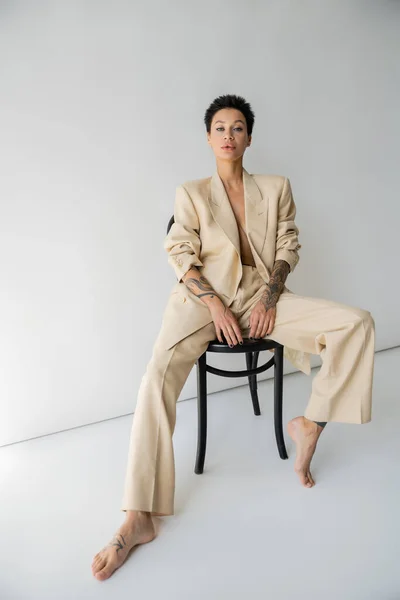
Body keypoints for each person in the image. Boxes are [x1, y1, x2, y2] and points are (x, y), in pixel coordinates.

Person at [91, 94, 375, 581]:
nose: (229, 135)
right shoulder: (192, 192)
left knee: (357, 323)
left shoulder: (276, 187)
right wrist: (215, 303)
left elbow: (288, 244)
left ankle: (312, 422)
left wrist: (268, 297)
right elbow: (180, 251)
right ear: (208, 137)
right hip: (203, 304)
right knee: (156, 376)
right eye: (220, 128)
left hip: (262, 298)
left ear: (248, 137)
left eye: (238, 127)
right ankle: (138, 516)